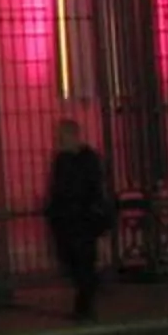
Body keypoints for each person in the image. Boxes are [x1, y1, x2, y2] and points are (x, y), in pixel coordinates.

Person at [42, 117, 114, 320]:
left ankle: (84, 303)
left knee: (83, 260)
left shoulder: (84, 159)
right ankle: (86, 297)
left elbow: (93, 188)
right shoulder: (64, 159)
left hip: (81, 218)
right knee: (74, 260)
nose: (59, 140)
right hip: (70, 219)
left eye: (62, 136)